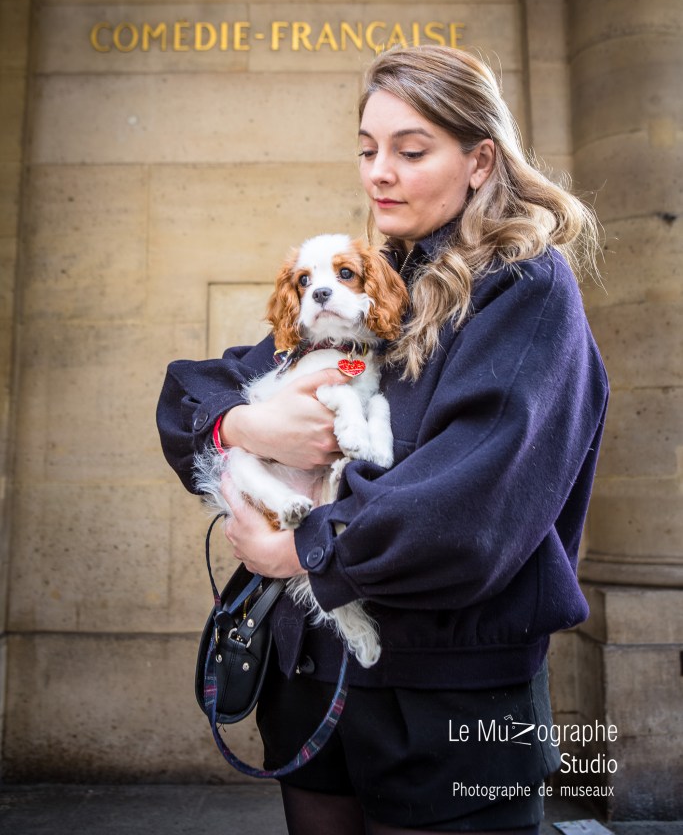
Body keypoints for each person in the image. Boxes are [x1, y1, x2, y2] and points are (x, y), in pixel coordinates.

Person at [157, 46, 609, 835]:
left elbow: (468, 506)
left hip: (448, 695)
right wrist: (246, 424)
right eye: (367, 150)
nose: (379, 174)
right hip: (309, 670)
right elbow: (194, 388)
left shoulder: (525, 286)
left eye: (410, 151)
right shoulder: (367, 281)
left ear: (479, 162)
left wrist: (299, 550)